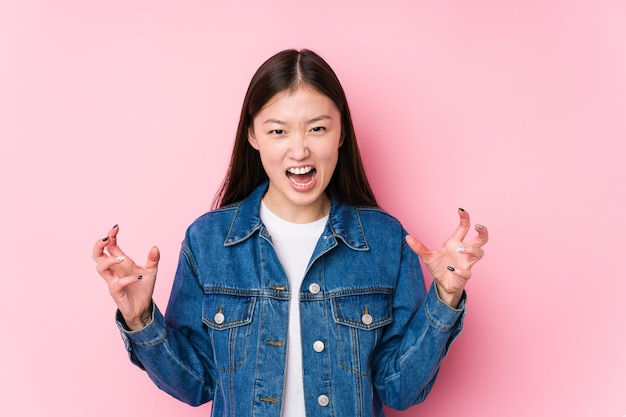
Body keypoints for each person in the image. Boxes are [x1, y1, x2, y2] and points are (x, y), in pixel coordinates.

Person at [93, 49, 488, 417]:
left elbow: (400, 390)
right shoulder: (209, 242)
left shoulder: (385, 242)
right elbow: (196, 384)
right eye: (278, 131)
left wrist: (445, 298)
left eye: (316, 128)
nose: (299, 151)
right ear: (253, 136)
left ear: (341, 133)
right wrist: (140, 317)